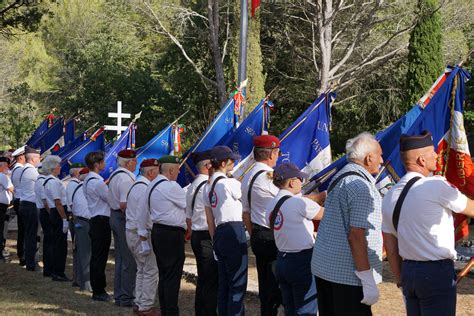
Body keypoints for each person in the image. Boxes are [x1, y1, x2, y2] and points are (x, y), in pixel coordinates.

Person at [382, 131, 474, 316]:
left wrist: (401, 279)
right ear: (421, 160)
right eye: (432, 151)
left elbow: (391, 246)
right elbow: (471, 209)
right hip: (435, 273)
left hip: (409, 272)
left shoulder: (390, 195)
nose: (436, 154)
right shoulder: (436, 185)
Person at [312, 132, 384, 316]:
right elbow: (356, 236)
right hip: (348, 277)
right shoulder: (360, 186)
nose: (382, 161)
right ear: (368, 158)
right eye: (380, 156)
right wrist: (367, 278)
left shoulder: (341, 176)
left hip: (327, 269)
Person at [266, 162, 325, 315]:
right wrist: (327, 196)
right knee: (306, 309)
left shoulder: (271, 205)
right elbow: (326, 214)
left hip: (282, 259)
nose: (302, 182)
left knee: (290, 308)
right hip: (301, 261)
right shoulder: (298, 203)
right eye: (300, 179)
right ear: (292, 182)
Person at [203, 145, 247, 316]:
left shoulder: (207, 187)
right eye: (231, 160)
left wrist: (215, 243)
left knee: (224, 285)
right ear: (223, 163)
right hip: (233, 230)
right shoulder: (230, 183)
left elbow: (209, 219)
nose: (233, 163)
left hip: (220, 233)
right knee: (237, 284)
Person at [241, 135, 282, 315]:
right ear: (272, 154)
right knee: (275, 288)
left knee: (266, 287)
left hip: (258, 233)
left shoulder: (248, 175)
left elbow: (245, 213)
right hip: (270, 236)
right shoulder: (268, 177)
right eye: (278, 153)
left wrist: (254, 233)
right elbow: (289, 200)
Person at [147, 154, 187, 316]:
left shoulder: (153, 184)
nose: (178, 173)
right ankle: (171, 311)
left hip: (159, 231)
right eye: (177, 170)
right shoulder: (171, 186)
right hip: (171, 234)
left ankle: (166, 309)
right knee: (172, 275)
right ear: (170, 170)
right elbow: (187, 204)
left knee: (164, 274)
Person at [126, 158, 160, 316]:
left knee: (142, 269)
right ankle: (146, 306)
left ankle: (139, 302)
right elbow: (144, 215)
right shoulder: (145, 188)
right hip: (141, 233)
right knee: (150, 271)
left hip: (133, 232)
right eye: (158, 171)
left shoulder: (137, 185)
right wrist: (146, 238)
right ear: (151, 172)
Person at [185, 151, 218, 316]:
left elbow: (188, 217)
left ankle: (201, 311)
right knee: (210, 281)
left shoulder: (193, 185)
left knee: (204, 279)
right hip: (206, 235)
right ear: (208, 166)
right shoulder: (208, 186)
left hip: (198, 235)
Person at [108, 149, 138, 308]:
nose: (137, 163)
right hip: (123, 218)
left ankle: (120, 295)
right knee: (128, 260)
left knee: (121, 258)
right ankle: (126, 297)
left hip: (115, 216)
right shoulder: (126, 179)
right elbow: (124, 204)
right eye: (134, 161)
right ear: (128, 162)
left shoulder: (116, 175)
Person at [83, 151, 112, 301]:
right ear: (96, 164)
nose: (104, 164)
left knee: (97, 256)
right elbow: (110, 199)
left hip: (95, 219)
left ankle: (98, 288)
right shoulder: (97, 182)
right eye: (102, 162)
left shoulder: (88, 180)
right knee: (100, 257)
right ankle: (99, 290)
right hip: (101, 220)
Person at [43, 155, 70, 281]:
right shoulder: (53, 182)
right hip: (59, 212)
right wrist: (64, 219)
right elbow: (58, 202)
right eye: (58, 165)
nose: (60, 167)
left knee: (57, 243)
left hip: (55, 212)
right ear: (53, 167)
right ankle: (58, 271)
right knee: (60, 245)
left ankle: (55, 270)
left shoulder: (50, 180)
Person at [67, 164, 93, 292]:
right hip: (84, 221)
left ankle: (79, 279)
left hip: (79, 220)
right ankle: (85, 283)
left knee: (81, 252)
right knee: (85, 254)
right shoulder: (82, 188)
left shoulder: (78, 187)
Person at [17, 146, 41, 272]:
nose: (39, 159)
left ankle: (27, 259)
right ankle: (31, 263)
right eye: (38, 157)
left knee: (28, 234)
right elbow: (41, 186)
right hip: (30, 205)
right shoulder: (31, 171)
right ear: (32, 159)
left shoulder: (25, 169)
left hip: (25, 203)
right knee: (32, 235)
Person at [65, 162, 86, 287]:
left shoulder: (73, 184)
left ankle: (77, 276)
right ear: (77, 173)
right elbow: (74, 204)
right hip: (76, 217)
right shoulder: (74, 185)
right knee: (78, 248)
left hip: (74, 217)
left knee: (78, 248)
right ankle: (78, 277)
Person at [35, 164, 53, 277]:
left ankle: (48, 267)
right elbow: (45, 201)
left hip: (43, 211)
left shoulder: (39, 180)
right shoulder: (42, 181)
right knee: (49, 241)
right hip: (46, 212)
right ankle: (48, 268)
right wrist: (52, 214)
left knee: (48, 241)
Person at [10, 146, 26, 266]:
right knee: (24, 230)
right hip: (21, 200)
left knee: (23, 229)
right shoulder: (20, 170)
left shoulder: (16, 169)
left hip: (18, 200)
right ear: (21, 157)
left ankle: (22, 254)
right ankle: (23, 254)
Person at [0, 157, 13, 263]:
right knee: (0, 229)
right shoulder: (2, 176)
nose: (7, 167)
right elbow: (12, 189)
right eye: (6, 165)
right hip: (1, 207)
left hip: (3, 206)